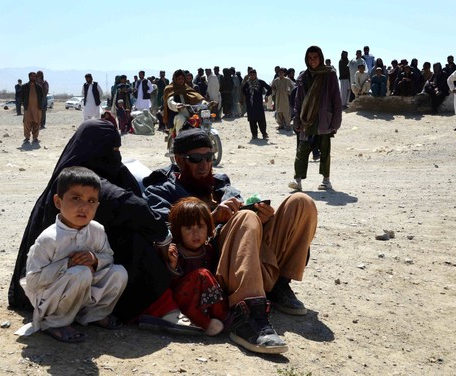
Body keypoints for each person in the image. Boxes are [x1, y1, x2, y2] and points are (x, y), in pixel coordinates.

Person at [8, 119, 200, 335]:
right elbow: (128, 204)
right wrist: (162, 237)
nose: (115, 155)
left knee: (122, 262)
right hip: (55, 280)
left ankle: (93, 314)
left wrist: (158, 237)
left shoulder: (115, 174)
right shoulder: (74, 180)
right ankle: (159, 307)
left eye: (118, 149)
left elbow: (136, 203)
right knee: (134, 241)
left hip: (88, 269)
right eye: (111, 149)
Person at [143, 128, 318, 354]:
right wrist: (212, 218)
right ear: (178, 160)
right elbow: (163, 234)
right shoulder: (161, 189)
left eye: (209, 157)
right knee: (245, 217)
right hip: (214, 269)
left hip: (249, 261)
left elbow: (247, 231)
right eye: (195, 159)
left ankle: (279, 287)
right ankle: (248, 315)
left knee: (300, 203)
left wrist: (264, 219)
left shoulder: (221, 186)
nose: (204, 165)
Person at [16, 166, 128, 342]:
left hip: (83, 289)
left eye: (91, 201)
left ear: (97, 205)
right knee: (80, 272)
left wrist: (94, 259)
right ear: (58, 202)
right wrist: (66, 265)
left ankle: (93, 314)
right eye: (76, 198)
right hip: (51, 298)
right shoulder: (48, 239)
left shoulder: (97, 231)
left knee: (119, 272)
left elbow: (108, 257)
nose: (84, 207)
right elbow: (32, 281)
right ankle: (56, 322)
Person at [165, 197, 229, 336]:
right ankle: (206, 322)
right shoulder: (176, 252)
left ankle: (218, 316)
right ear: (178, 230)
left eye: (200, 227)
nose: (196, 233)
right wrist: (173, 264)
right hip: (184, 301)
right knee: (202, 274)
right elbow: (168, 284)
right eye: (188, 228)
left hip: (204, 298)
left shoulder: (209, 249)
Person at [289, 46, 342, 191]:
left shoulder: (329, 75)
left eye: (315, 57)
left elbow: (336, 99)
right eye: (310, 58)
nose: (312, 61)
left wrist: (336, 122)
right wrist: (296, 119)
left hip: (324, 119)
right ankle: (297, 180)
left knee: (325, 150)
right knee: (302, 150)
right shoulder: (303, 77)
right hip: (307, 119)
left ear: (321, 58)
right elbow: (298, 101)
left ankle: (326, 180)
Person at [163, 69, 207, 136]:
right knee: (181, 119)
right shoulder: (170, 89)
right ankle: (178, 139)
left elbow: (197, 98)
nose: (181, 80)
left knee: (201, 120)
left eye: (182, 78)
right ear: (175, 79)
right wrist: (177, 105)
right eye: (179, 79)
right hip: (176, 114)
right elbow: (170, 101)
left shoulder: (187, 88)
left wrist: (205, 103)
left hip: (190, 113)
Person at [242, 69, 272, 140]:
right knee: (252, 121)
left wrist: (266, 96)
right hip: (250, 105)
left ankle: (264, 134)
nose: (252, 76)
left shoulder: (260, 82)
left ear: (256, 75)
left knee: (261, 120)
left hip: (259, 105)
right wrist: (248, 96)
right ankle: (254, 135)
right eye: (251, 75)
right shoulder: (247, 83)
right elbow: (243, 90)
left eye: (253, 74)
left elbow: (269, 88)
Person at [20, 72, 44, 144]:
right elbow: (21, 97)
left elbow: (42, 97)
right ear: (29, 77)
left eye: (34, 77)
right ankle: (27, 137)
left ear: (36, 77)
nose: (33, 78)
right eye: (31, 76)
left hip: (37, 108)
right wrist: (24, 103)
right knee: (27, 123)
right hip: (28, 108)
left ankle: (35, 138)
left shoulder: (39, 87)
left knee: (37, 123)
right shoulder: (24, 87)